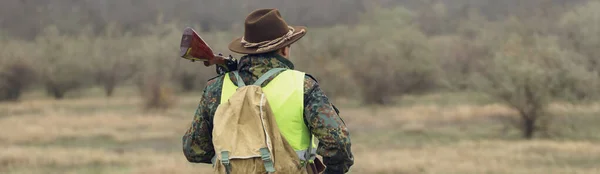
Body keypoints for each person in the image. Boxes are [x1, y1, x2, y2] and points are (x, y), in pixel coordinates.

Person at [182, 8, 354, 174]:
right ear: (284, 49)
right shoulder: (302, 85)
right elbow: (338, 144)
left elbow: (194, 150)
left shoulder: (216, 88)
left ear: (247, 50)